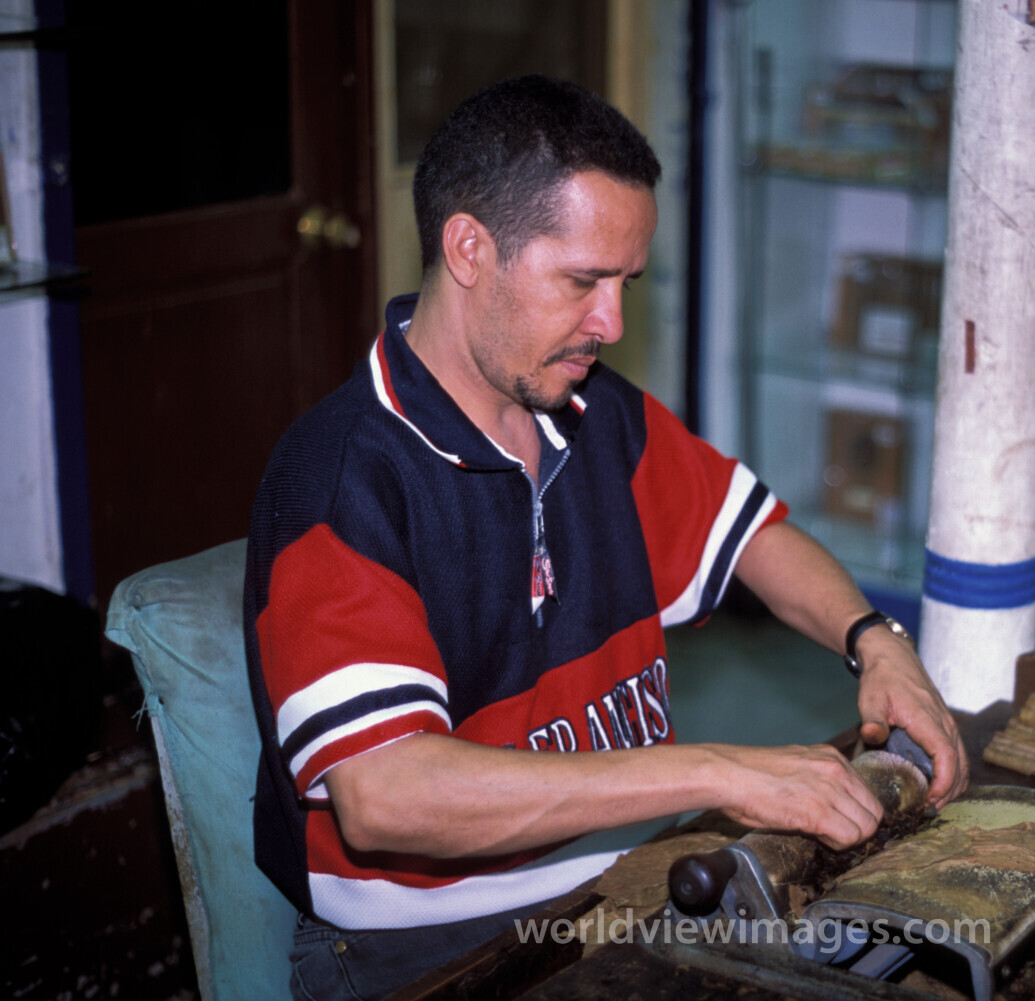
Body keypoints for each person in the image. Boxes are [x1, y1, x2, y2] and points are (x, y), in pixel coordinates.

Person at [244, 75, 967, 1000]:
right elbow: (387, 795)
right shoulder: (342, 480)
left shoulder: (593, 414)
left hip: (625, 886)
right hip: (436, 946)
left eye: (628, 282)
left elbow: (754, 536)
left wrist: (875, 643)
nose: (613, 324)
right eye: (582, 280)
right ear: (469, 248)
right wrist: (713, 769)